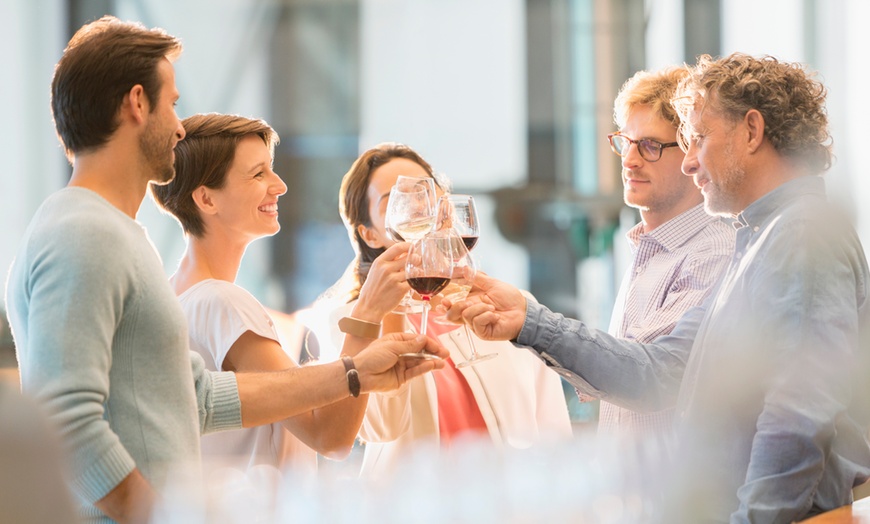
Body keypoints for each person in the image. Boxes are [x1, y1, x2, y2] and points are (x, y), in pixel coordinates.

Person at [4, 17, 446, 523]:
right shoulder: (84, 234)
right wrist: (160, 515)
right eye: (171, 102)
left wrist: (352, 372)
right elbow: (67, 421)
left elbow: (198, 397)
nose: (178, 125)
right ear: (136, 104)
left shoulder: (110, 235)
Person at [447, 53, 870, 522]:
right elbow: (666, 369)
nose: (690, 162)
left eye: (699, 139)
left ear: (752, 131)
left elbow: (797, 417)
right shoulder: (760, 238)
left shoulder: (799, 235)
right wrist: (529, 322)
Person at [322, 143, 573, 479]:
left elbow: (554, 432)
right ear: (369, 234)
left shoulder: (505, 309)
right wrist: (388, 308)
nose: (422, 211)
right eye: (399, 201)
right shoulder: (347, 322)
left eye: (430, 196)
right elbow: (382, 428)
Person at [150, 112, 380, 472]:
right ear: (206, 200)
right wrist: (369, 312)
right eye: (258, 174)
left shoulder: (172, 296)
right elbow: (330, 436)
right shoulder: (221, 302)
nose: (280, 185)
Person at [592, 66, 734, 443]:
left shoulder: (714, 252)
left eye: (650, 146)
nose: (629, 160)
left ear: (692, 153)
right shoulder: (648, 248)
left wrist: (529, 324)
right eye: (626, 142)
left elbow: (643, 376)